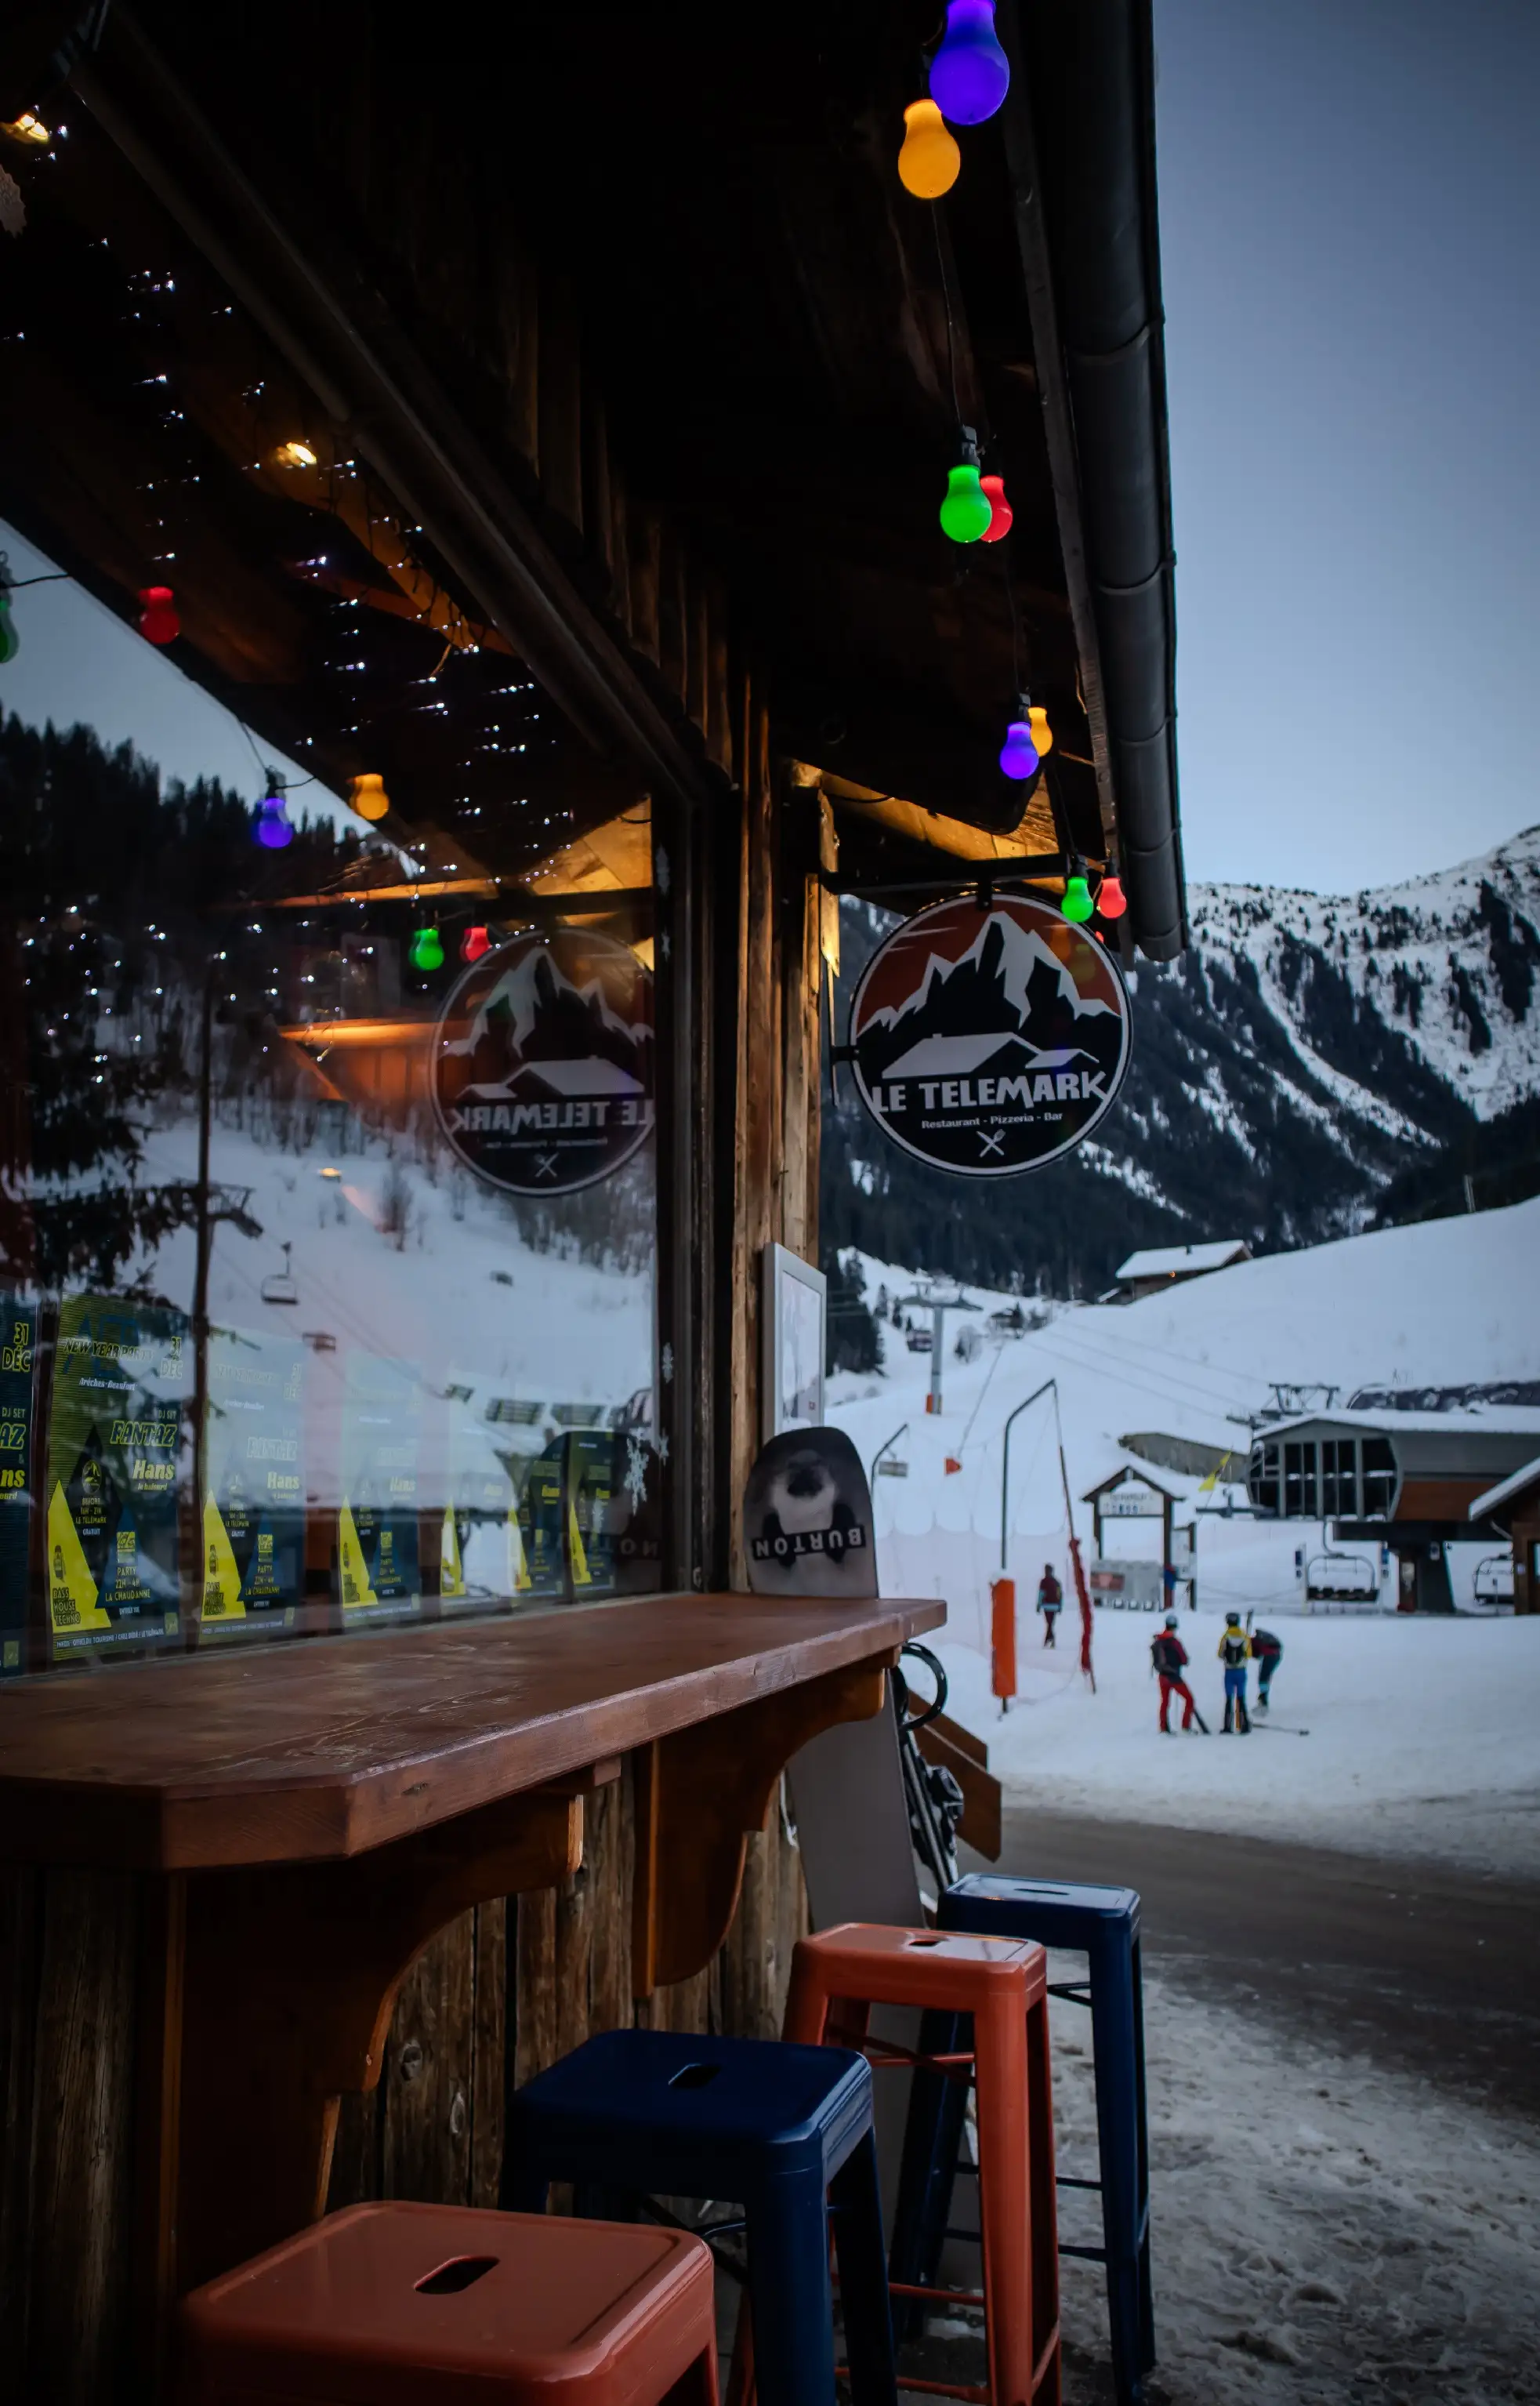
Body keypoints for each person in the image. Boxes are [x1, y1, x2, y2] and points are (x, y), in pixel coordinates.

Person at [1150, 1613, 1201, 1733]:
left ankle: (1163, 1728)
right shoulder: (1174, 1642)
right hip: (1174, 1676)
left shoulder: (1159, 1640)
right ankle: (1185, 1726)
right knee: (1189, 1699)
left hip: (1162, 1676)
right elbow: (1184, 1659)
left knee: (1165, 1702)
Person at [1217, 1611, 1252, 1733]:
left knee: (1229, 1698)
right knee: (1241, 1698)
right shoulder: (1244, 1636)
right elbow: (1249, 1654)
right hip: (1241, 1671)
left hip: (1229, 1671)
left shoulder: (1225, 1637)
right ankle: (1243, 1725)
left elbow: (1220, 1654)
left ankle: (1228, 1726)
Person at [1249, 1624, 1283, 1710]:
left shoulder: (1253, 1642)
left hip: (1270, 1655)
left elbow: (1255, 1655)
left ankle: (1263, 1702)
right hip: (1277, 1655)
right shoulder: (1260, 1639)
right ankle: (1263, 1699)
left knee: (1263, 1678)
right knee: (1265, 1677)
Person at [1037, 1562, 1063, 1648]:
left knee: (1049, 1623)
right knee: (1050, 1623)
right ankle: (1050, 1640)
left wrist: (1038, 1605)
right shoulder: (1057, 1582)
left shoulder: (1043, 1582)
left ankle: (1049, 1639)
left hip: (1046, 1605)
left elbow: (1041, 1594)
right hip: (1055, 1606)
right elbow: (1060, 1595)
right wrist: (1060, 1606)